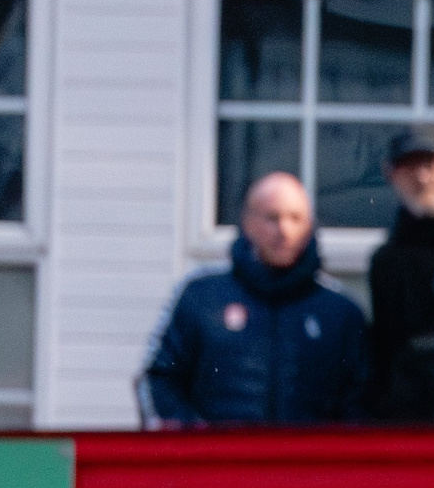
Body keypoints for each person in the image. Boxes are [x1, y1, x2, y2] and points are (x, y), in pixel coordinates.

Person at [138, 172, 367, 427]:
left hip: (308, 464)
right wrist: (194, 442)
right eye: (272, 218)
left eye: (295, 218)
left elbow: (361, 403)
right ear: (248, 223)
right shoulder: (201, 297)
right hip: (217, 463)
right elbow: (157, 380)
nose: (284, 230)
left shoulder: (339, 311)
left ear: (309, 226)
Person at [364, 126, 434, 422]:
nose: (422, 177)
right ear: (390, 174)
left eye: (431, 163)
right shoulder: (386, 261)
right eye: (410, 166)